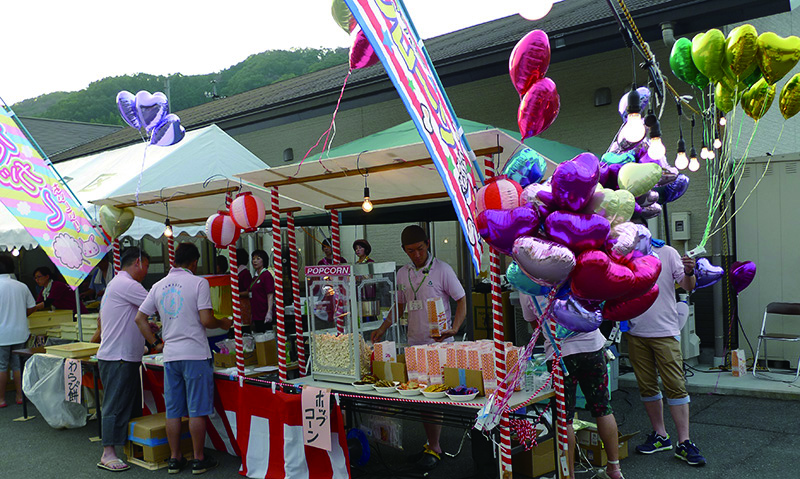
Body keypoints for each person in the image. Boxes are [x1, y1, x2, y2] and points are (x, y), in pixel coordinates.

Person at [371, 225, 466, 471]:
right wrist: (382, 329)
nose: (416, 255)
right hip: (414, 344)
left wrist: (454, 327)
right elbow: (399, 305)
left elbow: (462, 299)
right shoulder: (403, 274)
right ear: (404, 250)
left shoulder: (443, 270)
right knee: (421, 398)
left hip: (438, 344)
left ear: (428, 244)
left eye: (420, 249)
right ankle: (430, 444)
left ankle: (435, 447)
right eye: (410, 251)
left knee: (433, 398)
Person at [134, 243, 232, 475]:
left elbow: (139, 318)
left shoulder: (157, 286)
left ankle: (175, 458)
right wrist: (223, 323)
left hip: (171, 356)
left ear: (175, 260)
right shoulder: (199, 283)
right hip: (195, 354)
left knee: (174, 410)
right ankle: (198, 458)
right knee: (197, 410)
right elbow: (206, 320)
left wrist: (156, 343)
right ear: (194, 262)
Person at [625, 221, 703, 466]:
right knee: (647, 386)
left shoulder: (666, 253)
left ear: (647, 232)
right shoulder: (621, 256)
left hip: (665, 331)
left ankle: (684, 441)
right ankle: (661, 435)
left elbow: (688, 286)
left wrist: (690, 272)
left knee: (675, 386)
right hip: (636, 331)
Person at [522, 295, 625, 479]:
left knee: (564, 418)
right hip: (592, 347)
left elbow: (534, 323)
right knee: (602, 407)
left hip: (560, 354)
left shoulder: (527, 284)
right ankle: (614, 468)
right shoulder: (571, 269)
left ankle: (567, 475)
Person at [94, 248, 155, 472]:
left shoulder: (116, 283)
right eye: (146, 266)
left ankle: (126, 449)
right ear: (138, 262)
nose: (147, 272)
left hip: (119, 354)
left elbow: (134, 317)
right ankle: (107, 453)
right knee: (115, 405)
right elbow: (156, 303)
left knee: (124, 404)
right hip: (118, 355)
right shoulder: (129, 285)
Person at [0, 254, 36, 408]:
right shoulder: (21, 286)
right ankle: (20, 396)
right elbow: (32, 307)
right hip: (20, 332)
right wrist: (19, 314)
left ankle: (1, 399)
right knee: (18, 365)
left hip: (1, 335)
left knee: (1, 367)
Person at [249, 249, 275, 333]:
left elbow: (270, 294)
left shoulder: (266, 275)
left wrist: (269, 312)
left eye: (258, 258)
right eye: (253, 259)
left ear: (264, 260)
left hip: (264, 313)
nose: (255, 261)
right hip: (256, 314)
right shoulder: (255, 277)